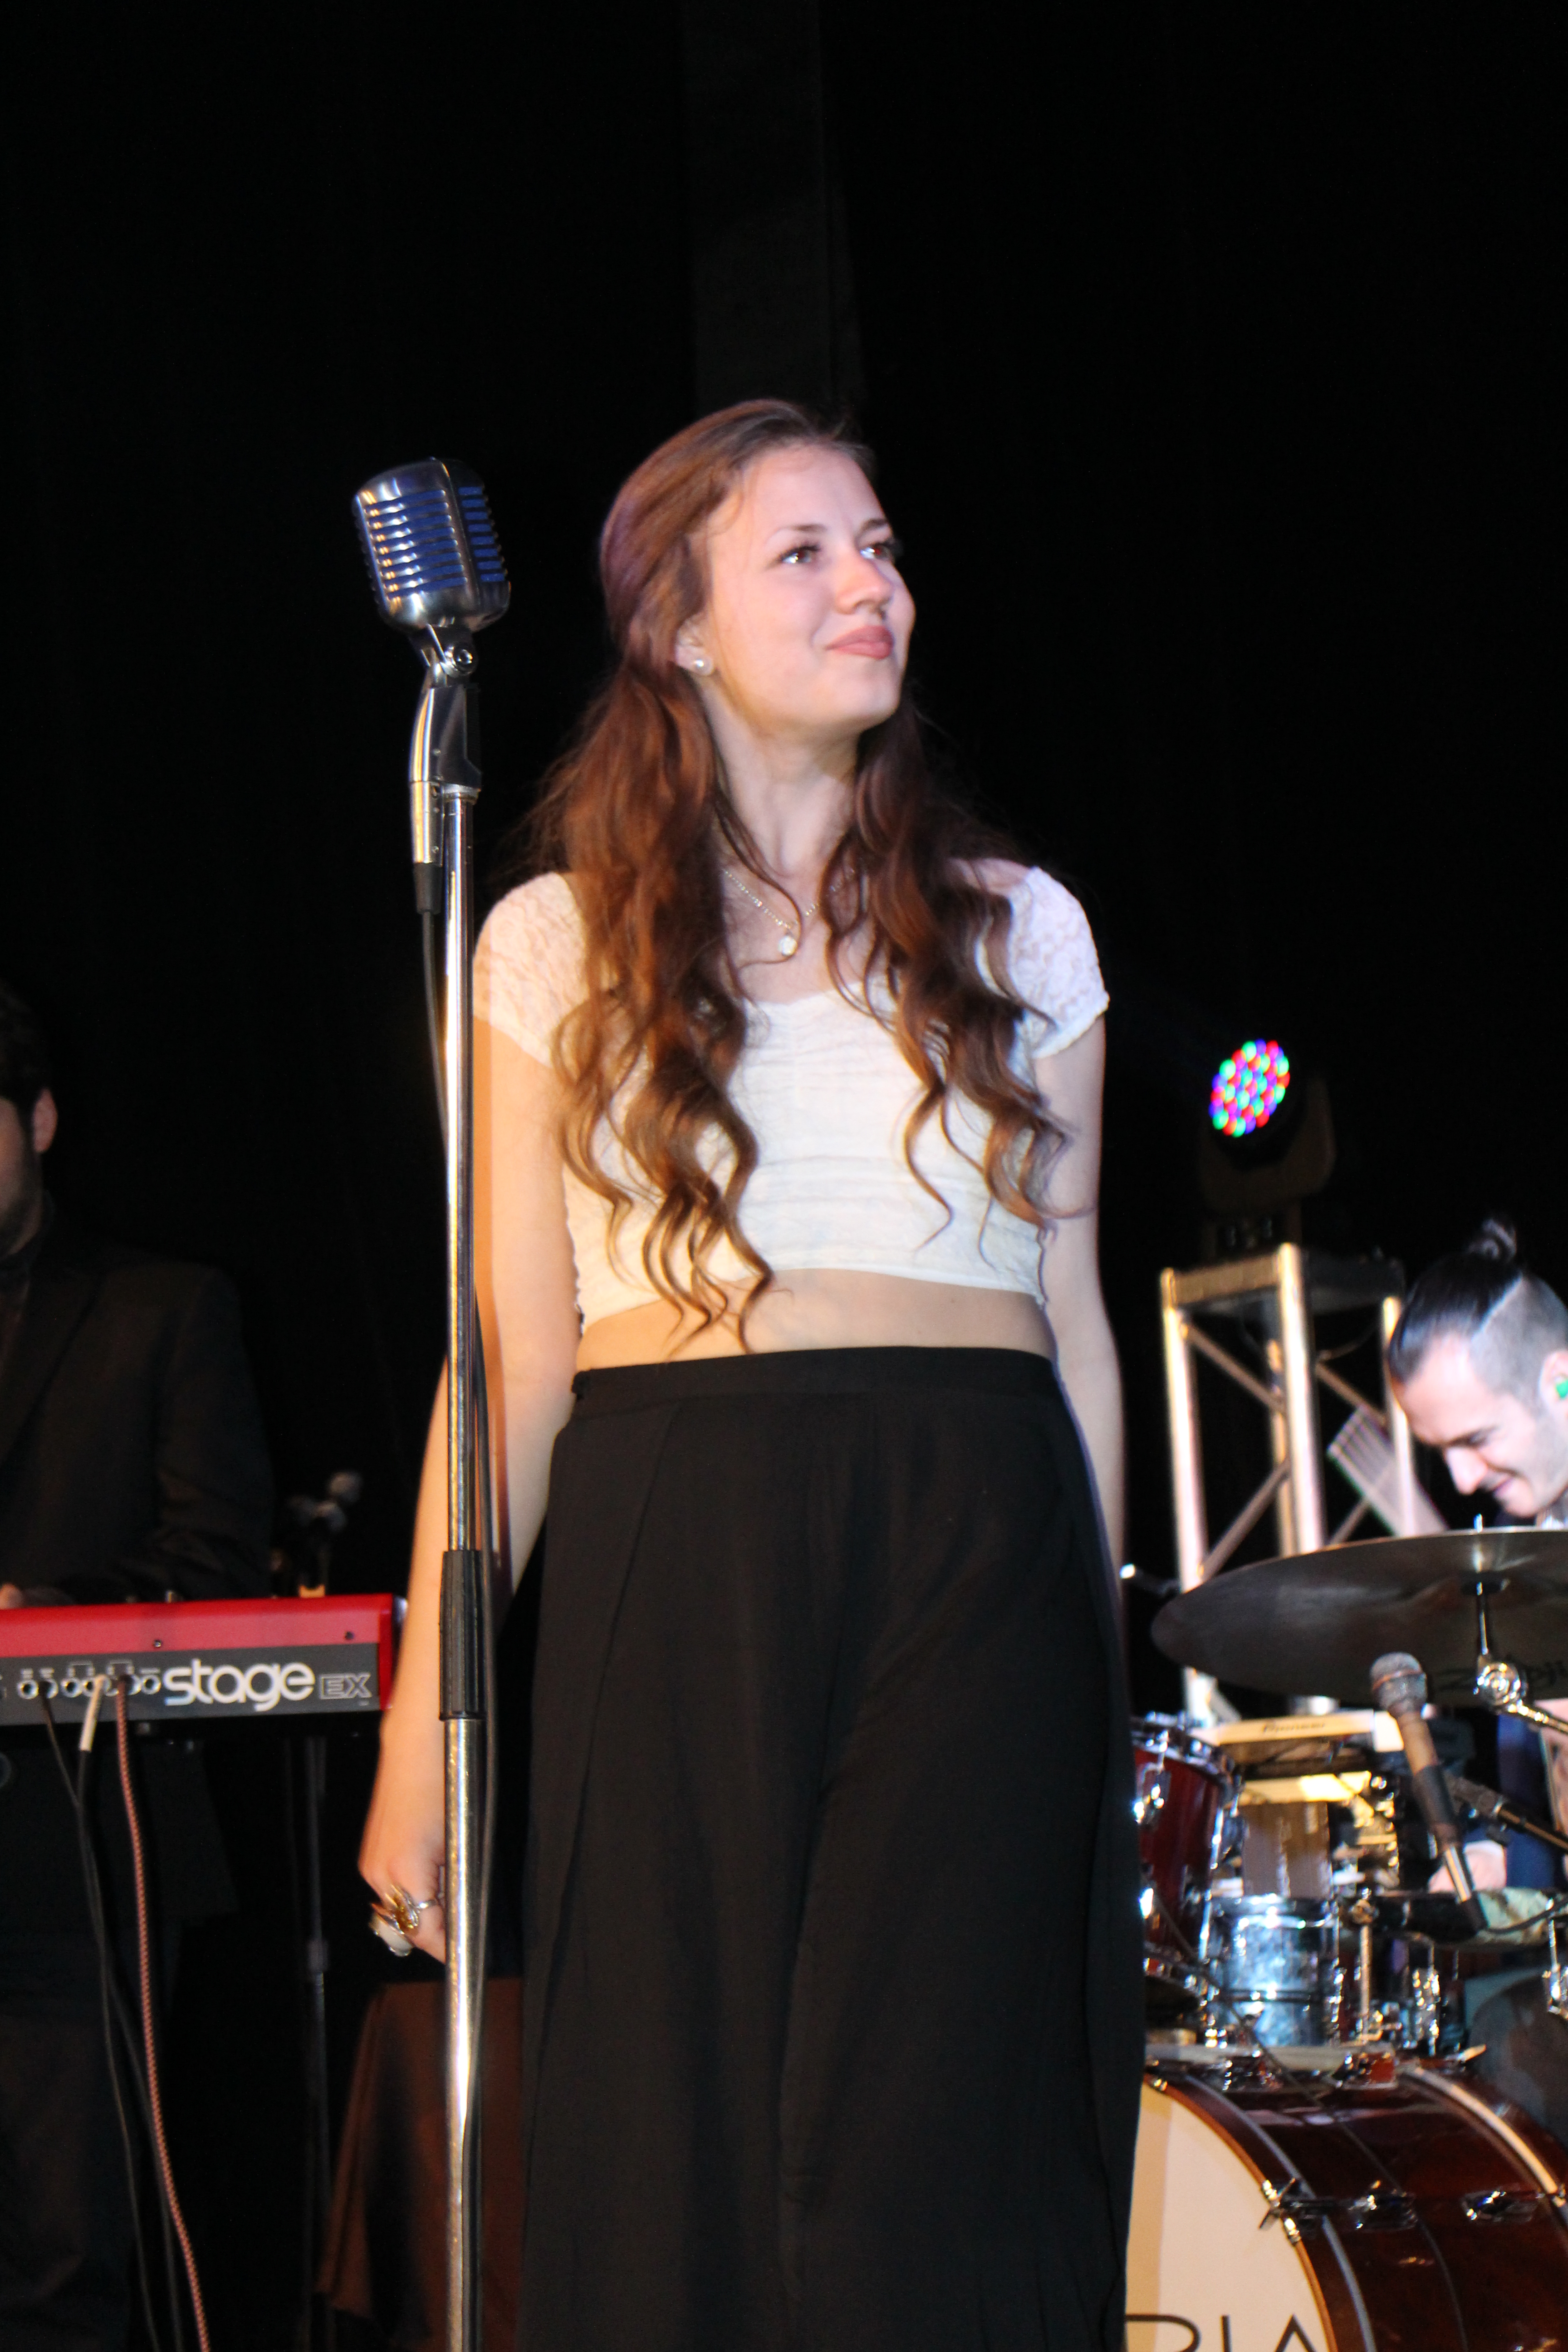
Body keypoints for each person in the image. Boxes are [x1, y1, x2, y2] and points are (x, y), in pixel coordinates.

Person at [359, 401, 1142, 2352]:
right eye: (806, 551)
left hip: (980, 1531)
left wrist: (1099, 1650)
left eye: (881, 547)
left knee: (933, 2151)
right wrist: (420, 1734)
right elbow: (505, 1356)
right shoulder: (548, 944)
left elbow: (1073, 1317)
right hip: (678, 1515)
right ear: (682, 626)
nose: (871, 583)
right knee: (675, 2118)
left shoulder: (1024, 928)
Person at [0, 980, 273, 2352]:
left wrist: (44, 1613)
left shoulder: (159, 1309)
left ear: (39, 1120)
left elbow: (217, 1559)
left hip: (72, 1866)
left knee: (62, 2268)